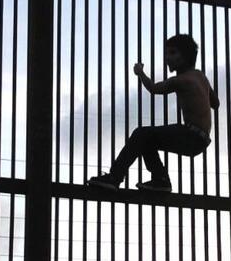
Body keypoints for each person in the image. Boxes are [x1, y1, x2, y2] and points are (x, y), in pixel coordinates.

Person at [86, 34, 219, 192]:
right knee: (146, 138)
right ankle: (160, 180)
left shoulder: (181, 80)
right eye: (166, 53)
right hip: (201, 138)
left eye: (173, 53)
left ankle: (114, 178)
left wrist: (140, 72)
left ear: (186, 56)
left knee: (141, 134)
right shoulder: (200, 76)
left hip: (191, 135)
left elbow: (154, 88)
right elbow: (215, 103)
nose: (167, 58)